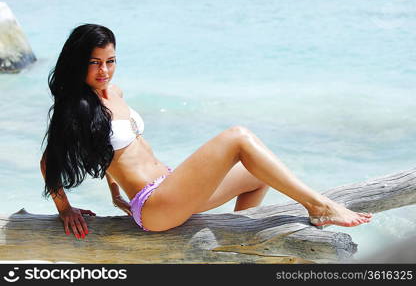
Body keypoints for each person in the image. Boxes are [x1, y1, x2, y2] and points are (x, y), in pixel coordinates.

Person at [40, 24, 372, 239]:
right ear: (78, 61)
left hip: (169, 188)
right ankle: (319, 206)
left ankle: (244, 240)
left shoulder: (115, 93)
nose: (104, 70)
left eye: (110, 61)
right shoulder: (76, 108)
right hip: (154, 205)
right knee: (238, 137)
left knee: (256, 175)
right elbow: (47, 162)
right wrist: (64, 209)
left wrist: (114, 194)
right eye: (94, 62)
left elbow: (107, 147)